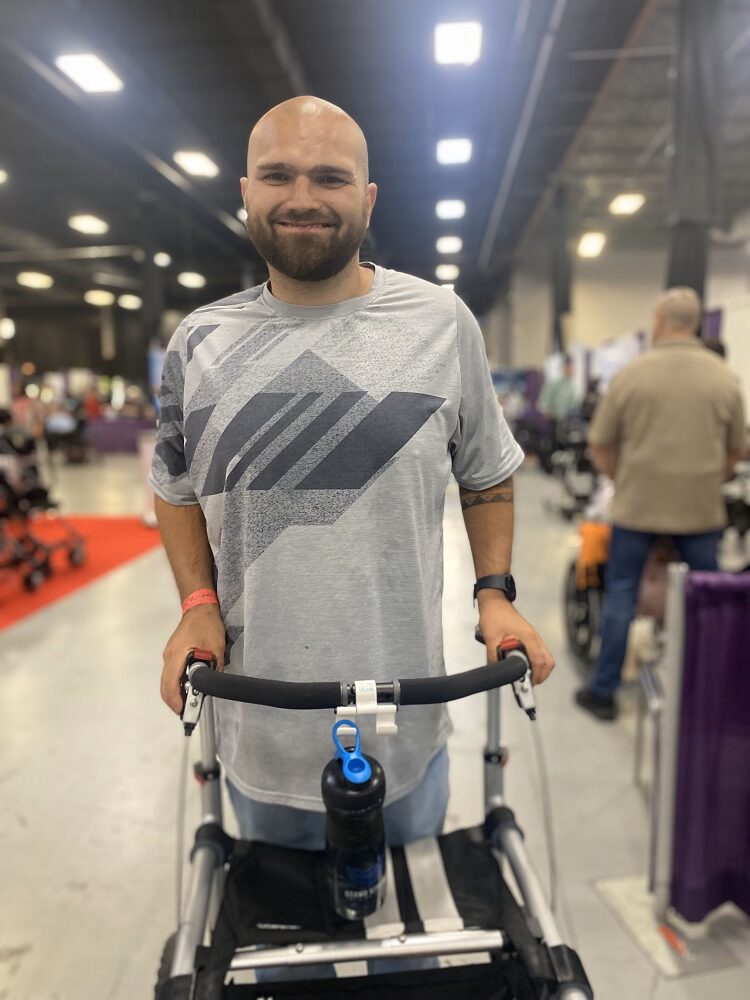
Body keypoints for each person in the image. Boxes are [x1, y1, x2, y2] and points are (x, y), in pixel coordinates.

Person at [150, 96, 554, 855]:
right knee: (283, 952)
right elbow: (174, 488)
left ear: (367, 199)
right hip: (260, 736)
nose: (302, 198)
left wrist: (495, 595)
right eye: (278, 176)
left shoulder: (441, 322)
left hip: (406, 734)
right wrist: (198, 603)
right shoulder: (198, 342)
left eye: (330, 178)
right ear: (246, 193)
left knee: (409, 943)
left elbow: (488, 475)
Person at [576, 287, 747, 721]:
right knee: (702, 601)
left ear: (658, 322)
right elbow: (736, 451)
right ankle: (705, 697)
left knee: (621, 596)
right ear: (696, 324)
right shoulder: (724, 378)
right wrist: (710, 478)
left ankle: (604, 692)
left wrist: (626, 478)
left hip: (637, 508)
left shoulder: (632, 375)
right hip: (700, 511)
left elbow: (599, 445)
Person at [539, 355, 578, 439]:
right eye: (569, 367)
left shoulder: (570, 384)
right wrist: (546, 409)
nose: (571, 370)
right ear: (564, 367)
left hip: (565, 419)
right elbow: (545, 397)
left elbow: (573, 402)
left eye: (572, 367)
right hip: (554, 419)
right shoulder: (556, 382)